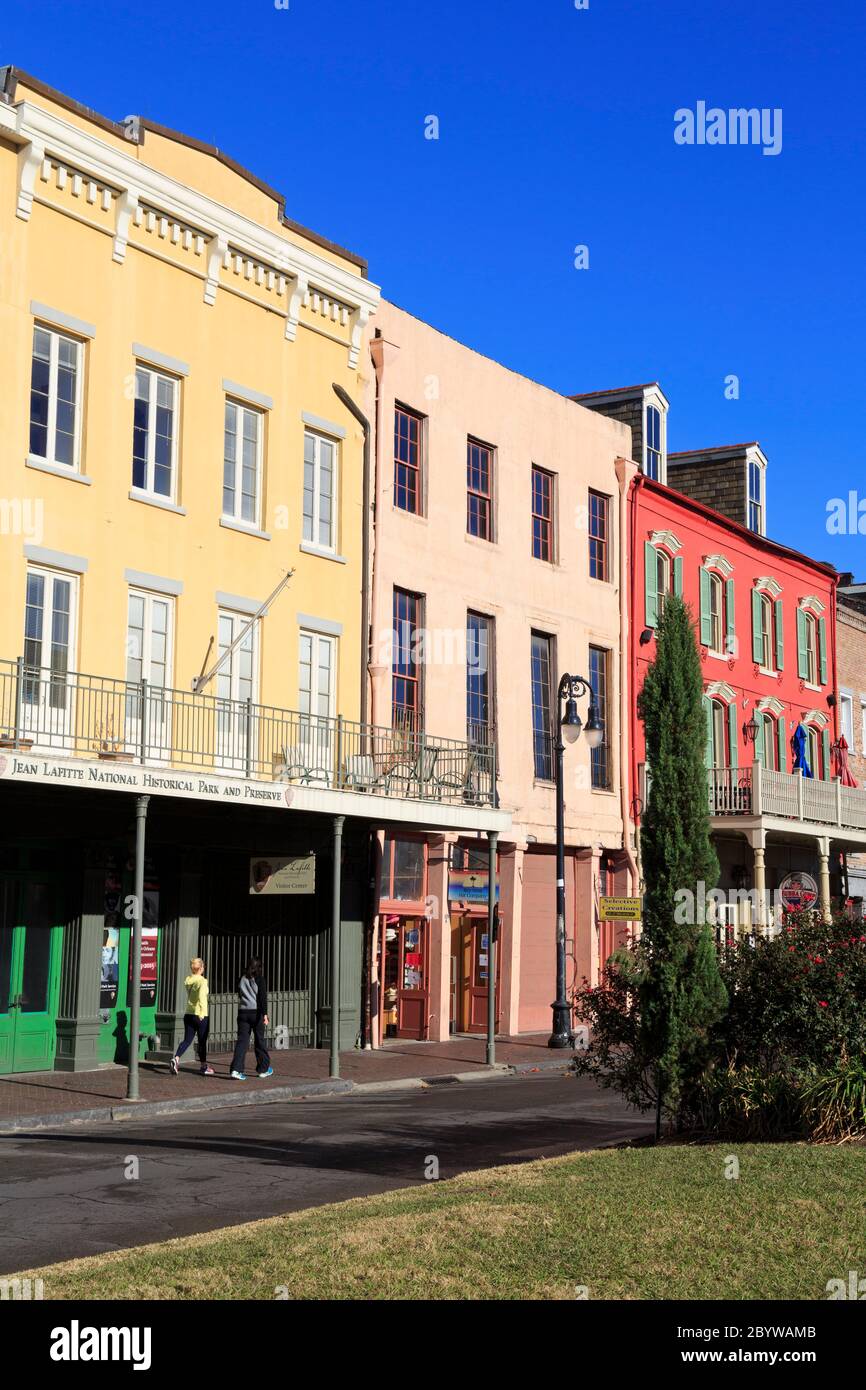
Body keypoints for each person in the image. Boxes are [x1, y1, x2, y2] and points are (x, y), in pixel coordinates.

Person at [230, 957, 274, 1080]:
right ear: (260, 967)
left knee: (242, 1042)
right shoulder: (260, 979)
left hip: (243, 1012)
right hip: (256, 1013)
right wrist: (265, 1015)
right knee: (259, 1041)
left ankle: (236, 1070)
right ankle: (263, 1069)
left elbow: (239, 993)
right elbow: (262, 998)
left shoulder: (242, 978)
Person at [170, 958, 214, 1076]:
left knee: (187, 1040)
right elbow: (201, 998)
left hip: (188, 1013)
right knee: (202, 1041)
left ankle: (176, 1058)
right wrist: (201, 1014)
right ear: (200, 968)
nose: (204, 968)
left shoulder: (188, 980)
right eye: (203, 966)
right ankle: (204, 1066)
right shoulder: (202, 981)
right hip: (200, 1015)